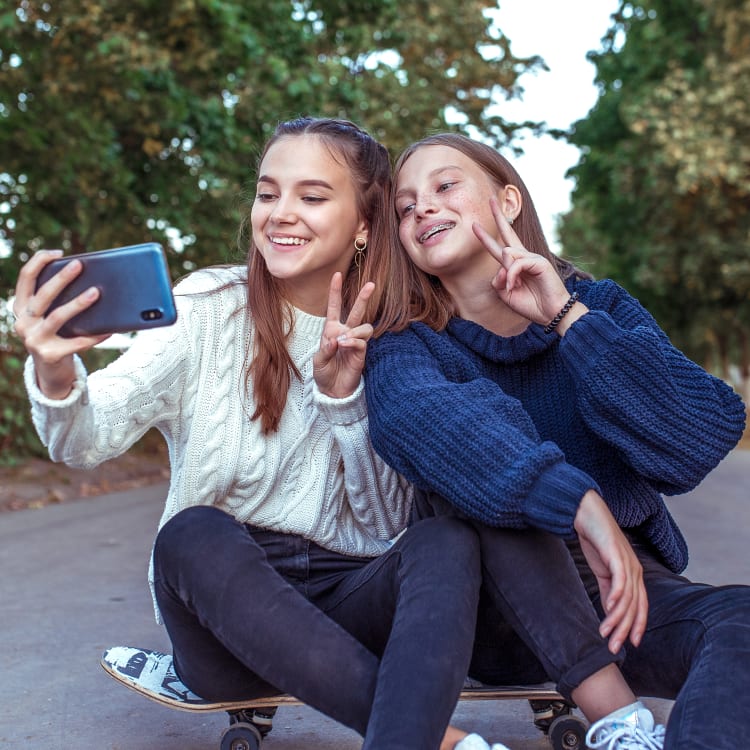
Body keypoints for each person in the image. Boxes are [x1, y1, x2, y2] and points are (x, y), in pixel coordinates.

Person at [13, 117, 496, 750]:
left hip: (351, 600)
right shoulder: (208, 309)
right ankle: (444, 741)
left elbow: (382, 529)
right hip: (223, 618)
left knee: (444, 539)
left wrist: (342, 397)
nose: (280, 214)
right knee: (191, 533)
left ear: (364, 226)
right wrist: (54, 367)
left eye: (312, 197)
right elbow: (83, 441)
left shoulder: (402, 336)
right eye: (268, 194)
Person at [364, 131, 749, 750]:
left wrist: (568, 320)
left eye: (444, 186)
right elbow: (424, 422)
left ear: (508, 201)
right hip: (502, 609)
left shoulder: (597, 307)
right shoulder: (406, 344)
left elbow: (700, 434)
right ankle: (615, 714)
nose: (422, 209)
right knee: (475, 480)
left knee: (741, 623)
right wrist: (580, 501)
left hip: (623, 595)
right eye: (405, 207)